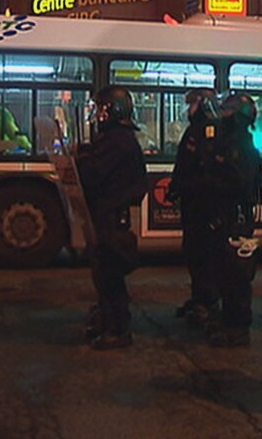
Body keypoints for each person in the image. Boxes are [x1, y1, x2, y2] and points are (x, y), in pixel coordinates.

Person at [76, 85, 148, 350]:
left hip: (112, 218)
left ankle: (118, 330)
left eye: (100, 109)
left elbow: (94, 173)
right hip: (107, 215)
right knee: (104, 274)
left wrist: (81, 160)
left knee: (110, 276)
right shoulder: (115, 139)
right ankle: (108, 322)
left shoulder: (118, 141)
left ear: (111, 110)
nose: (97, 114)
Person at [203, 92, 262, 347]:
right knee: (224, 273)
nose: (223, 116)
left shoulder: (240, 146)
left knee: (236, 275)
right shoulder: (230, 142)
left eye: (228, 112)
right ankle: (228, 320)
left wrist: (211, 183)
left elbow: (239, 184)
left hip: (235, 218)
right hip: (226, 215)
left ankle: (237, 328)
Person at [168, 88, 222, 326]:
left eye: (192, 104)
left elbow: (204, 170)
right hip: (192, 202)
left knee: (204, 254)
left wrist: (187, 186)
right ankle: (198, 296)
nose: (188, 109)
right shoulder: (194, 130)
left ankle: (207, 301)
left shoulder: (210, 131)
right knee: (192, 252)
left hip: (203, 204)